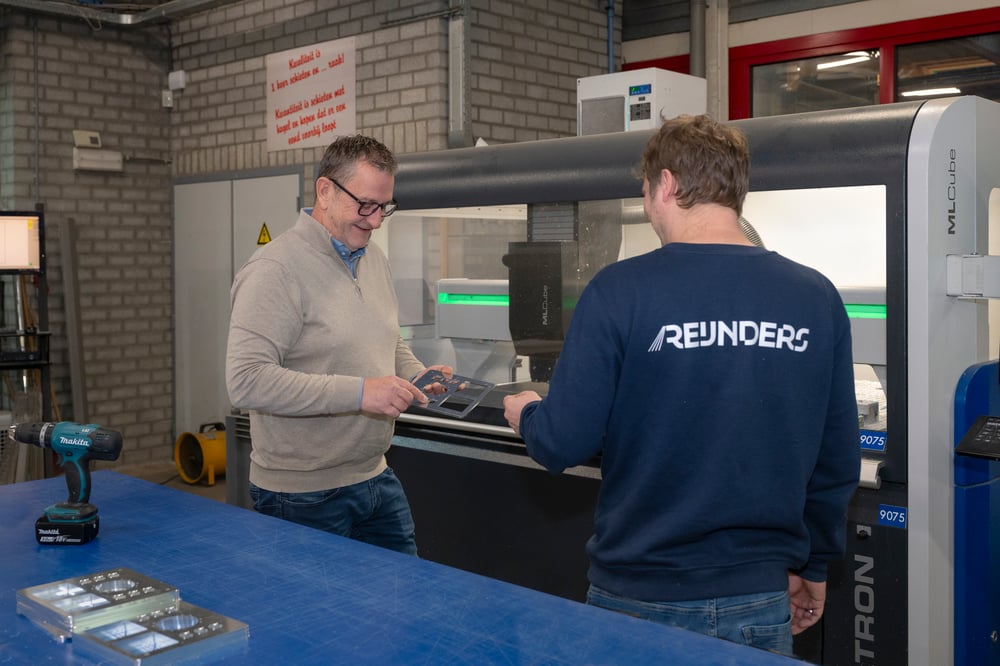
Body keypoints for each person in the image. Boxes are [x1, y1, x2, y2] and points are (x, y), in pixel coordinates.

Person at [503, 114, 859, 656]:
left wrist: (527, 412)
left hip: (638, 595)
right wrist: (814, 564)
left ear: (665, 184)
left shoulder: (620, 291)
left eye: (645, 190)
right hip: (759, 596)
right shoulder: (815, 297)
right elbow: (836, 457)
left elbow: (562, 441)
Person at [226, 134, 451, 556]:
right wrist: (363, 392)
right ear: (325, 191)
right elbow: (246, 381)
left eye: (384, 207)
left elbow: (387, 338)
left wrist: (416, 372)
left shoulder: (373, 259)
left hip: (375, 479)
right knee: (316, 621)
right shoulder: (275, 270)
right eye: (365, 205)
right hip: (301, 496)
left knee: (401, 610)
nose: (376, 221)